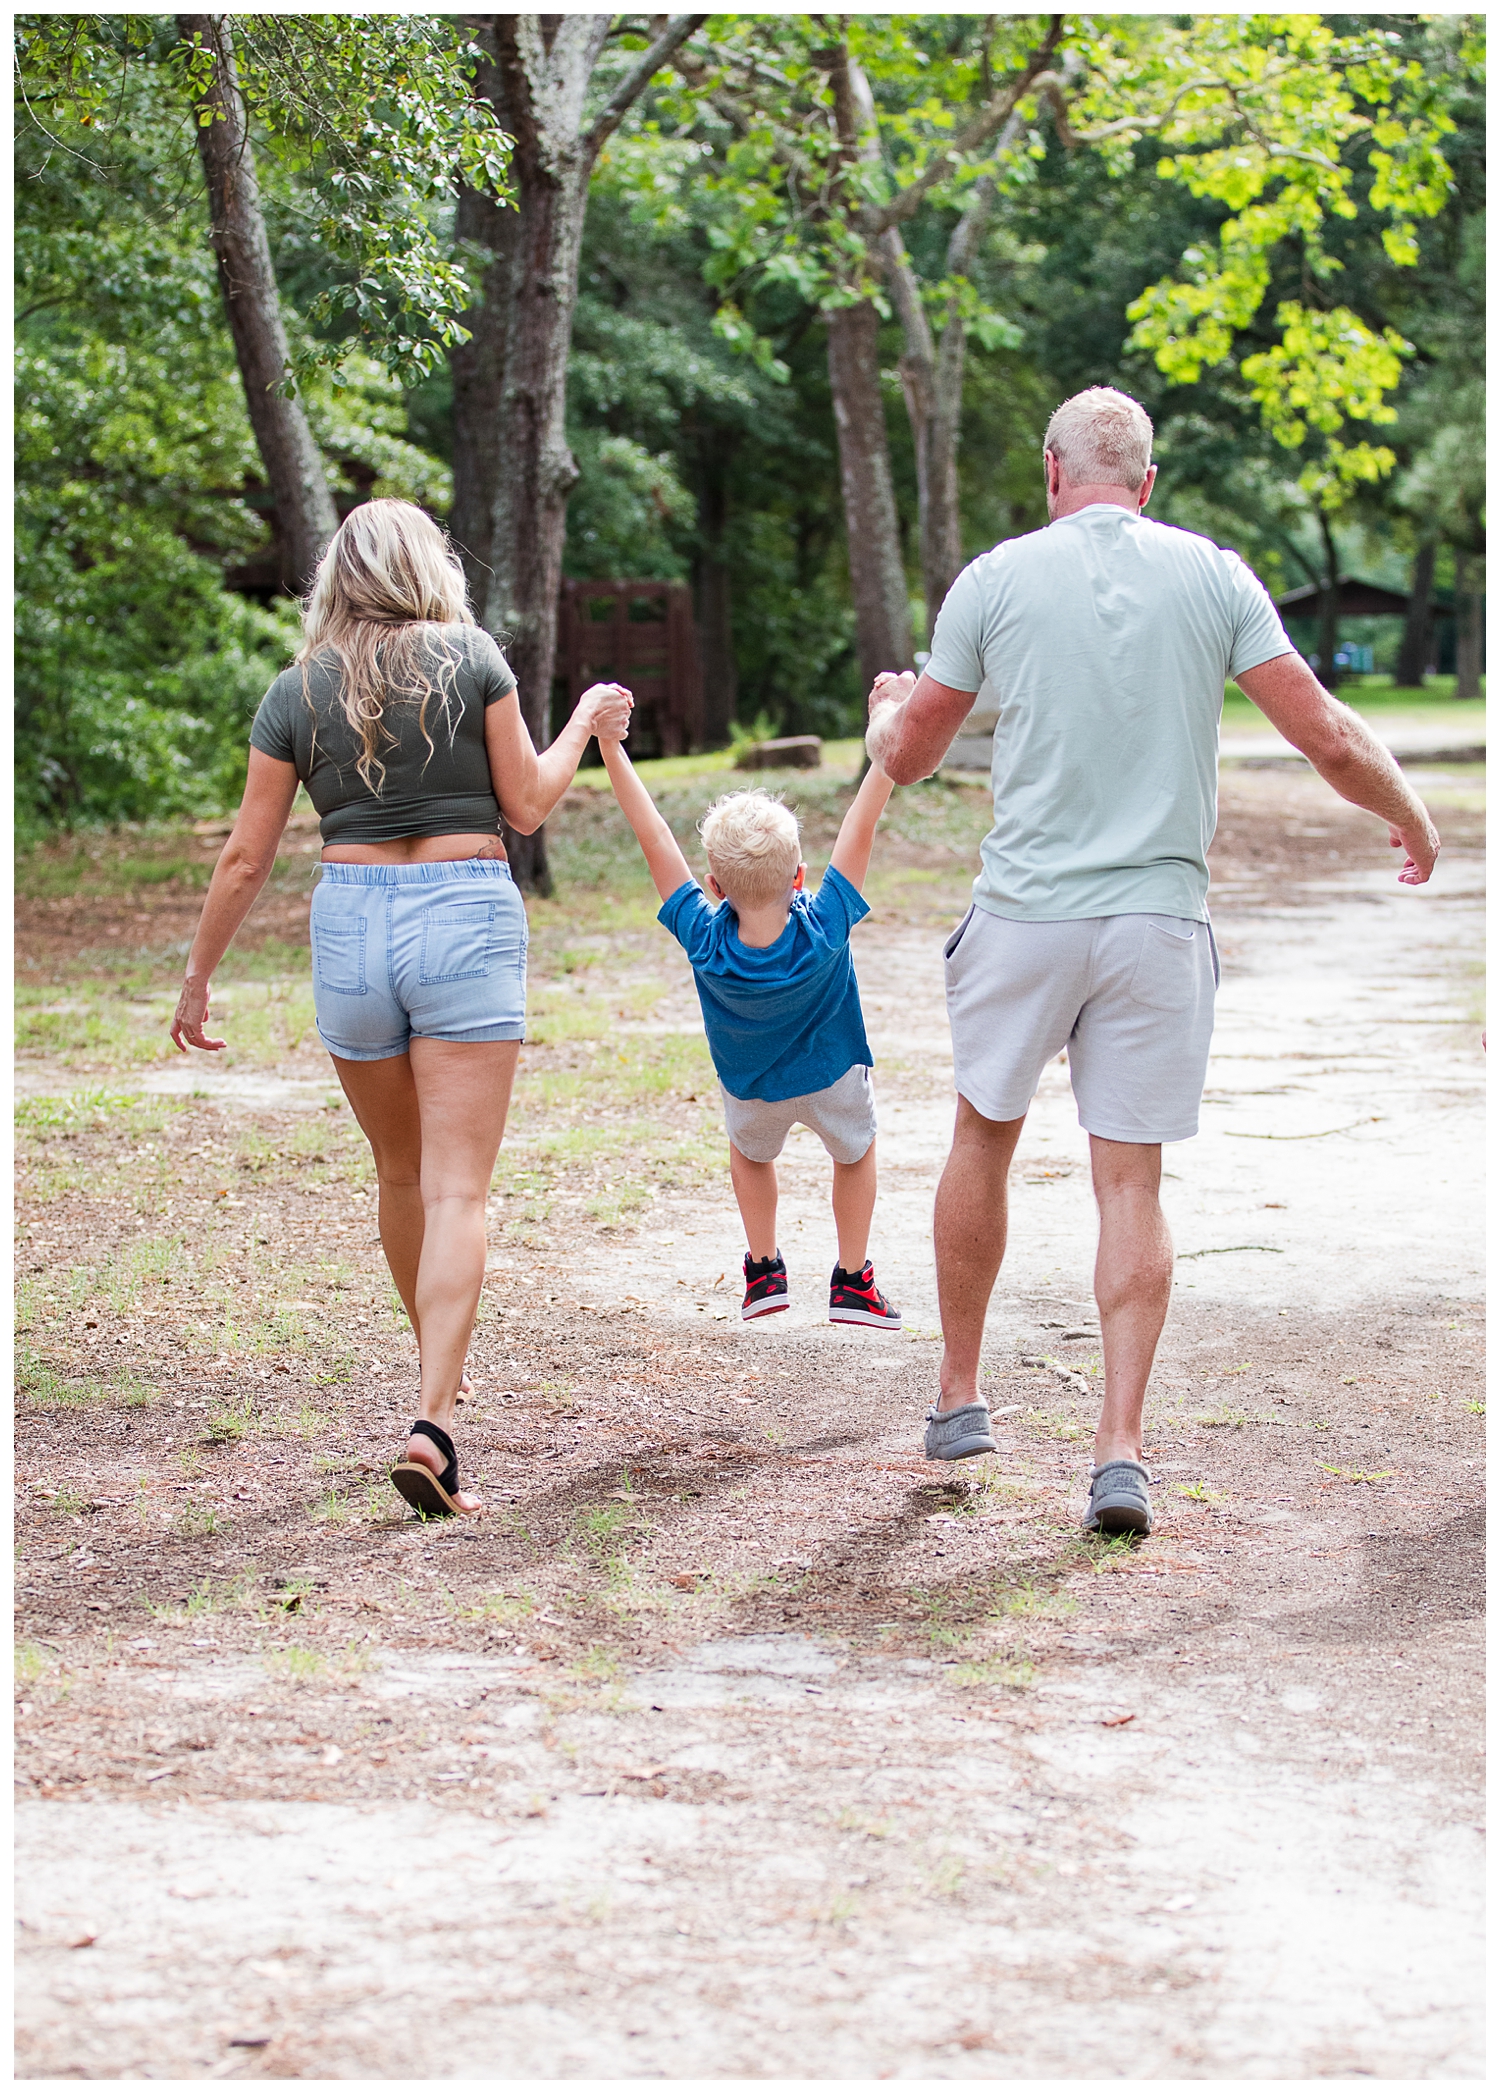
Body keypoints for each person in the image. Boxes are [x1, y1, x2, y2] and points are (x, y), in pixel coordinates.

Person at [865, 386, 1441, 1534]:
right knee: (1130, 1179)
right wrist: (1412, 814)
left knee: (984, 1129)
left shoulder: (994, 578)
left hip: (1026, 915)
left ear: (1049, 473)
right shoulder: (1216, 576)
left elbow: (915, 755)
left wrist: (886, 712)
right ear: (1148, 481)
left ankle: (960, 1394)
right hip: (1157, 924)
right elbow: (1324, 731)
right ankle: (1118, 1451)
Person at [170, 498, 633, 1518]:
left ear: (338, 577)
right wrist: (585, 725)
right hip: (464, 914)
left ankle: (436, 1364)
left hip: (349, 925)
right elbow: (526, 803)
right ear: (429, 568)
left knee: (400, 1171)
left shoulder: (296, 689)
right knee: (459, 1188)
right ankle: (433, 1420)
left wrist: (199, 973)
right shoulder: (472, 658)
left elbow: (247, 853)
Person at [598, 740, 902, 1328]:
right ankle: (853, 1282)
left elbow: (653, 835)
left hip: (751, 1090)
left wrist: (610, 746)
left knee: (751, 1155)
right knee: (856, 1154)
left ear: (713, 884)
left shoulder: (704, 938)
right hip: (833, 1078)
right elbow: (861, 823)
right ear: (800, 875)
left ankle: (764, 1270)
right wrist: (887, 738)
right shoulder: (827, 924)